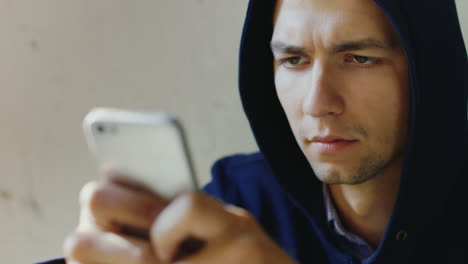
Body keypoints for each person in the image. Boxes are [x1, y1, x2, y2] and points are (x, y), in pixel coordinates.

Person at [37, 0, 467, 263]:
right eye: (294, 60)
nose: (318, 102)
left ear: (432, 71)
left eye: (358, 58)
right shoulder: (241, 196)